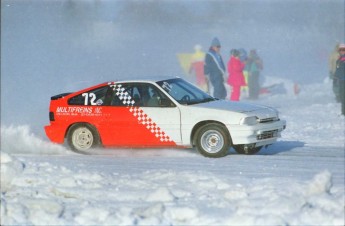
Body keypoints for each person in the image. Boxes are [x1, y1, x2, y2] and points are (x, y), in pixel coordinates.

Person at [334, 43, 345, 115]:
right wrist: (335, 77)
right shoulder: (339, 59)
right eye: (340, 50)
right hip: (341, 80)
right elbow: (338, 70)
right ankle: (343, 111)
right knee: (342, 96)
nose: (342, 51)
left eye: (343, 50)